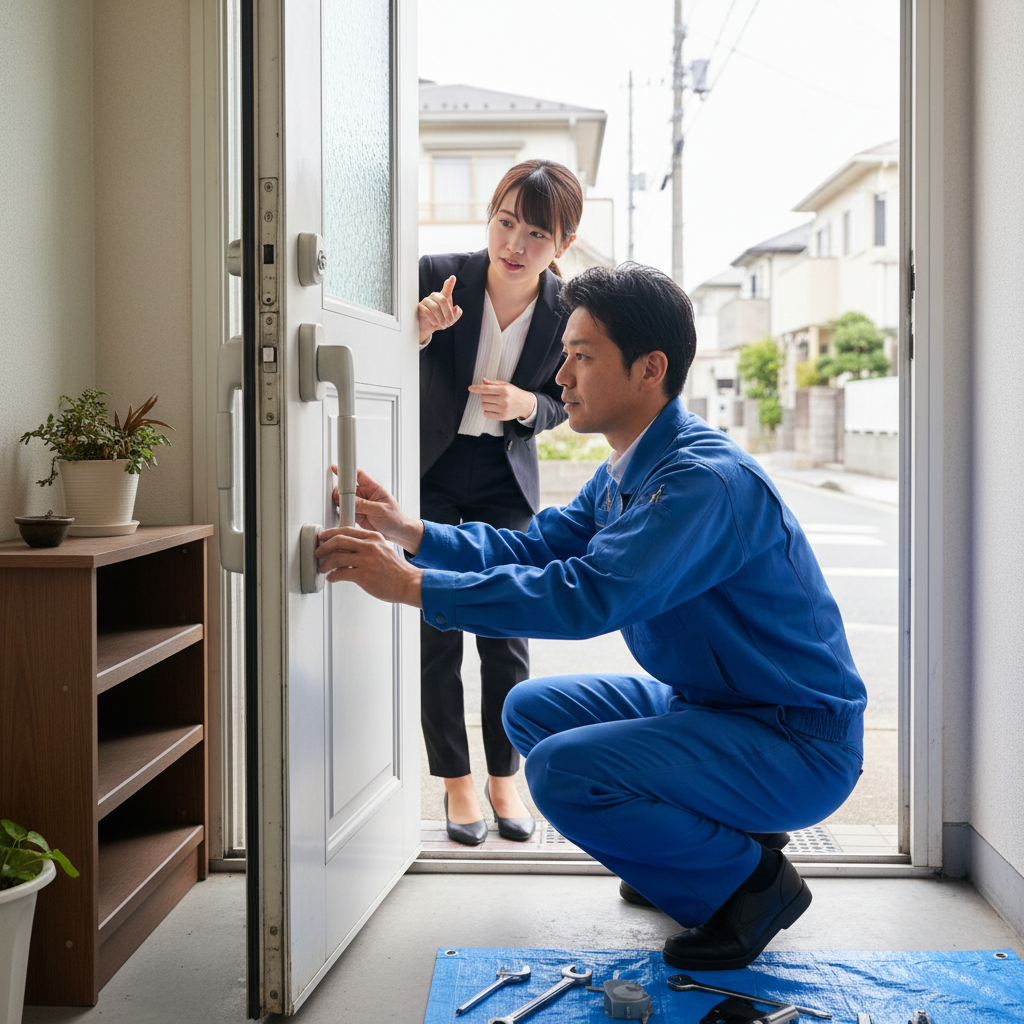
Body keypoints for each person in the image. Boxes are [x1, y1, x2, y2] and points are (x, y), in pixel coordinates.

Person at [315, 263, 866, 971]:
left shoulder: (698, 483)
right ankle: (706, 850)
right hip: (714, 705)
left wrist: (416, 588)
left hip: (796, 739)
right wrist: (408, 529)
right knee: (531, 710)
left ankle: (752, 887)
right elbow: (535, 546)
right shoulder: (628, 468)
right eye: (565, 354)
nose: (560, 376)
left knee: (561, 773)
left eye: (580, 357)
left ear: (649, 369)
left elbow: (584, 596)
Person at [415, 159, 581, 845]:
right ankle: (456, 782)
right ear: (490, 216)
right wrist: (419, 329)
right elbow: (387, 359)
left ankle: (504, 777)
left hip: (504, 476)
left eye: (536, 234)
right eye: (505, 221)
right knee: (437, 630)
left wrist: (527, 405)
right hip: (431, 464)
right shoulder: (435, 273)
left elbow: (567, 400)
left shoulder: (567, 309)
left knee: (506, 636)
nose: (514, 244)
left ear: (562, 246)